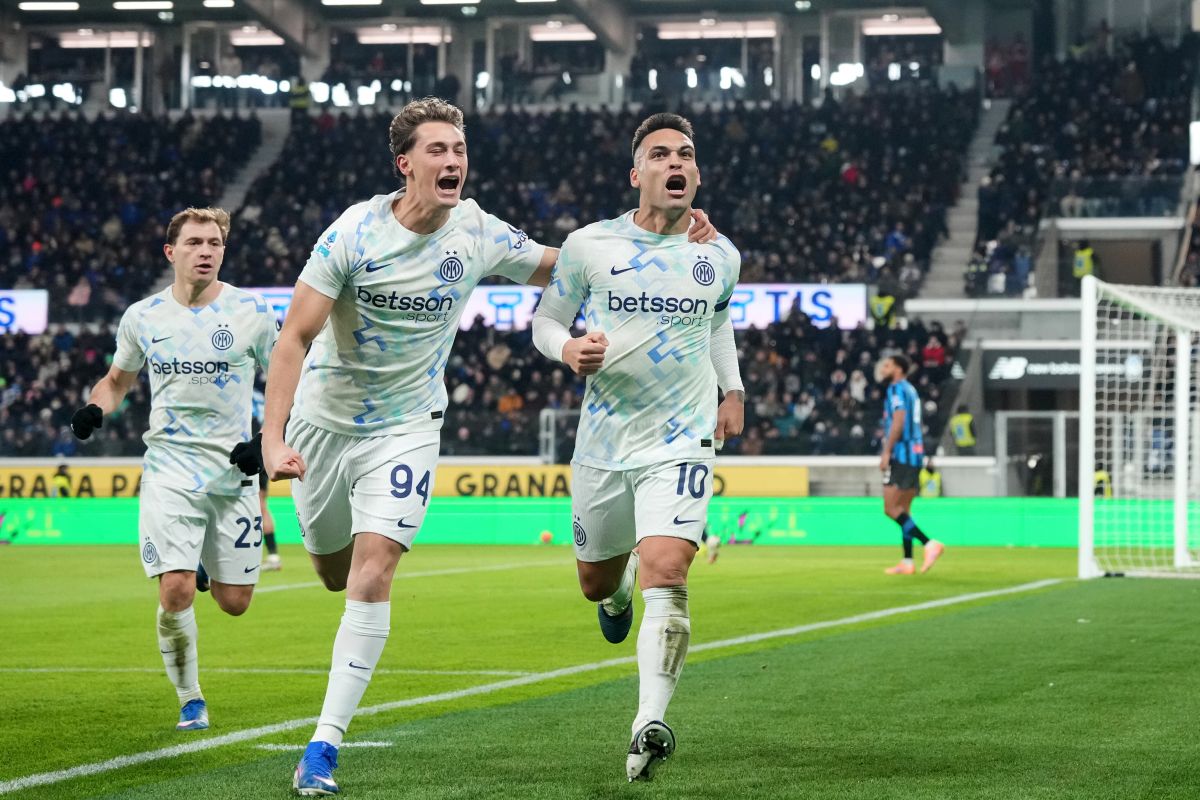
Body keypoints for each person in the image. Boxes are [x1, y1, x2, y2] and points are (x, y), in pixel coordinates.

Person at [258, 97, 718, 796]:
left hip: (408, 427)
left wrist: (669, 237)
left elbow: (569, 267)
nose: (453, 161)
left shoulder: (476, 231)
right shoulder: (353, 233)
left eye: (460, 149)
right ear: (404, 164)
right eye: (438, 150)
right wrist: (273, 436)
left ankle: (324, 745)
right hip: (326, 424)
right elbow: (294, 336)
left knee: (373, 573)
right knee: (330, 569)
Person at [532, 112, 744, 782]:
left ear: (696, 174)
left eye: (686, 154)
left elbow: (717, 323)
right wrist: (568, 349)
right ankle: (615, 595)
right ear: (637, 174)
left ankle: (647, 722)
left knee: (669, 573)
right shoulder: (590, 246)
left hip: (681, 440)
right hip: (603, 441)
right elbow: (546, 319)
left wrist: (732, 390)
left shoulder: (719, 255)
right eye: (661, 154)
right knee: (599, 581)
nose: (675, 162)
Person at [69, 207, 277, 732]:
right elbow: (116, 380)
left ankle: (206, 564)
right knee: (176, 589)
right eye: (194, 243)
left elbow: (288, 382)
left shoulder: (251, 312)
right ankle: (191, 699)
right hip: (168, 468)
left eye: (214, 243)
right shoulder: (144, 317)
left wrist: (263, 441)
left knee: (235, 603)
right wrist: (97, 406)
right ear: (171, 252)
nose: (206, 251)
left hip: (233, 472)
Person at [878, 354, 944, 575]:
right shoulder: (910, 390)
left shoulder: (896, 389)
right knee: (904, 510)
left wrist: (887, 451)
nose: (883, 369)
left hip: (902, 454)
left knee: (890, 508)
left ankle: (929, 543)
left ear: (898, 369)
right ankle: (907, 561)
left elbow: (898, 421)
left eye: (887, 365)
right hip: (916, 453)